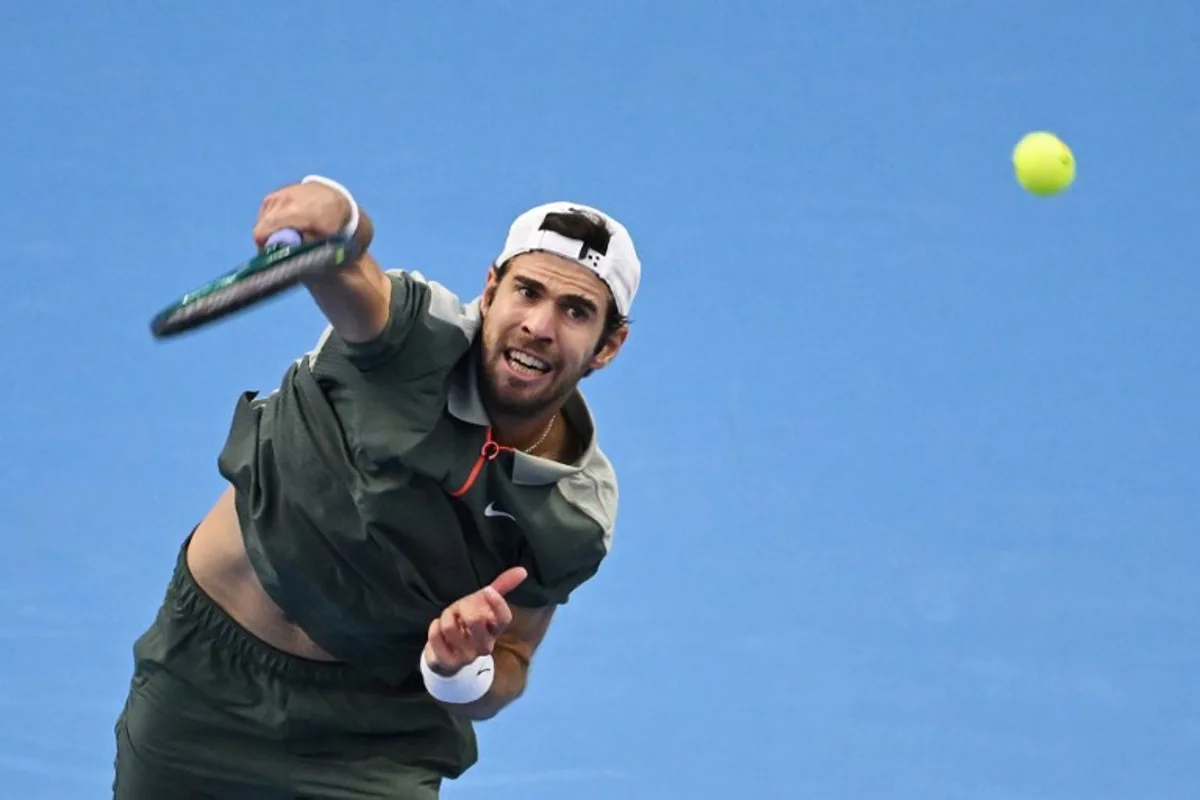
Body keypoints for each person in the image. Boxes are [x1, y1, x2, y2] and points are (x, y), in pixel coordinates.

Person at [112, 174, 641, 799]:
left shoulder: (574, 512)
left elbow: (515, 655)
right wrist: (335, 211)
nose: (539, 325)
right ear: (492, 289)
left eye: (575, 311)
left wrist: (462, 668)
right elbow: (344, 268)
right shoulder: (413, 338)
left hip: (373, 738)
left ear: (608, 346)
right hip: (201, 686)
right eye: (527, 291)